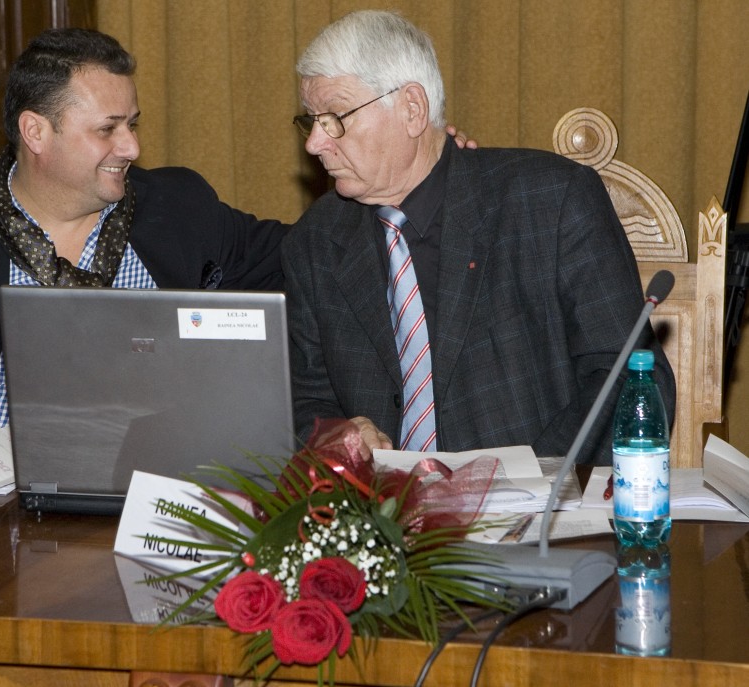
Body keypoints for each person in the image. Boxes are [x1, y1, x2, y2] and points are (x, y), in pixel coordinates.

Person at [0, 27, 474, 450]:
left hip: (161, 499)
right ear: (35, 132)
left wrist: (421, 175)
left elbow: (313, 257)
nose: (133, 148)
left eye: (135, 123)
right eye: (109, 129)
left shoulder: (177, 208)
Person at [282, 10, 675, 465]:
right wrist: (338, 435)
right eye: (310, 121)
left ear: (411, 109)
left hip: (538, 511)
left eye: (334, 118)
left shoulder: (550, 201)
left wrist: (522, 482)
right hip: (382, 519)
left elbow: (628, 378)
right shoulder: (317, 240)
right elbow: (303, 402)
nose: (314, 143)